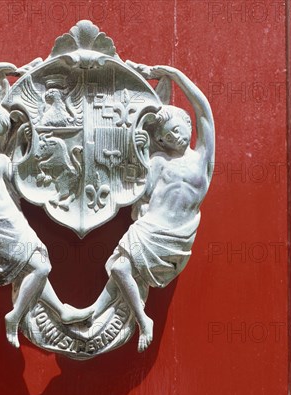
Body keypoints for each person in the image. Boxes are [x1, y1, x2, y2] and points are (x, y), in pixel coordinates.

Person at [0, 63, 87, 348]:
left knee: (33, 267)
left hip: (14, 220)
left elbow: (21, 172)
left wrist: (21, 140)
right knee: (40, 267)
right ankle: (16, 316)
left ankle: (60, 310)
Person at [86, 64, 215, 353]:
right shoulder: (158, 162)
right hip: (150, 227)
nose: (175, 138)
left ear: (188, 127)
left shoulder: (202, 158)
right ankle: (139, 319)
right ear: (161, 140)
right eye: (167, 137)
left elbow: (204, 111)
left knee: (124, 268)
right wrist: (143, 153)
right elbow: (140, 193)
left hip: (178, 233)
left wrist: (176, 75)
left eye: (178, 131)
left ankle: (96, 312)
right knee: (119, 267)